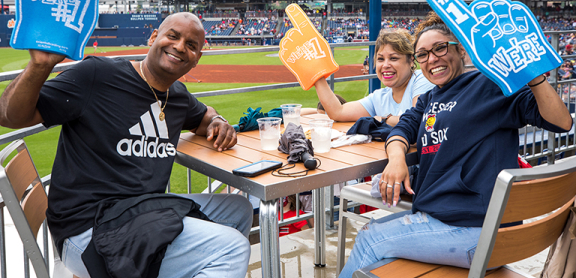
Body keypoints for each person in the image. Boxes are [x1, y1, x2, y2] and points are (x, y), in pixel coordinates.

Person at [0, 12, 252, 278]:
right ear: (154, 37)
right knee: (232, 248)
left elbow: (204, 117)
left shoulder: (177, 96)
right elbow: (10, 116)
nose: (180, 47)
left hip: (142, 212)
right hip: (89, 231)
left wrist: (218, 120)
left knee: (239, 209)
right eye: (173, 36)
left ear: (197, 59)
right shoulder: (98, 75)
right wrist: (39, 66)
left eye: (191, 45)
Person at [338, 12, 573, 277]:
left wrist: (534, 76)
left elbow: (561, 122)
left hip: (477, 231)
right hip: (451, 223)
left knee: (370, 239)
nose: (432, 59)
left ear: (461, 50)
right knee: (375, 245)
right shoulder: (427, 99)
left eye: (440, 48)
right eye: (423, 54)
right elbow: (403, 129)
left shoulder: (490, 85)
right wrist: (396, 158)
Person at [314, 28, 435, 125]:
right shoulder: (379, 97)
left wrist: (383, 119)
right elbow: (338, 112)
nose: (385, 65)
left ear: (410, 60)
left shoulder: (422, 79)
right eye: (380, 59)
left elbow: (417, 120)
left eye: (393, 58)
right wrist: (316, 74)